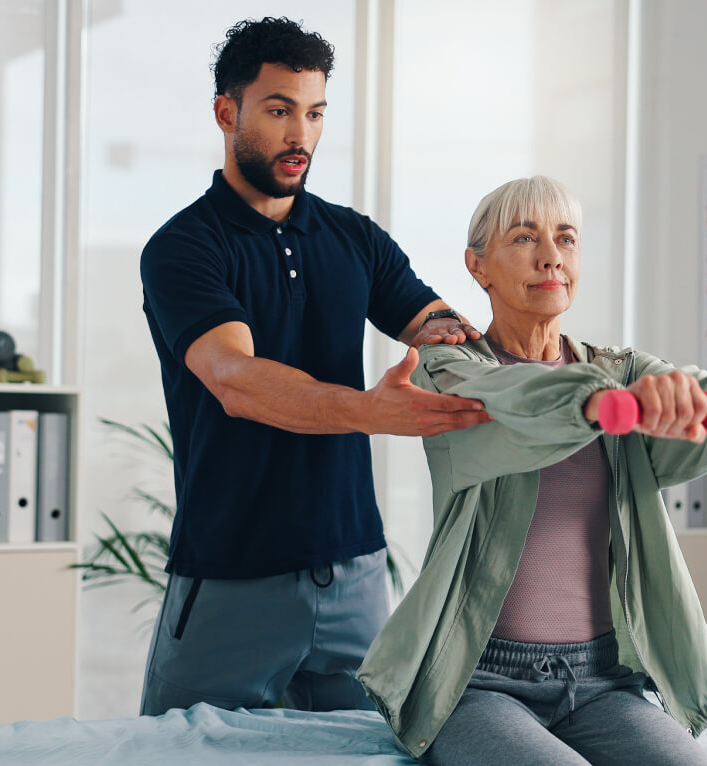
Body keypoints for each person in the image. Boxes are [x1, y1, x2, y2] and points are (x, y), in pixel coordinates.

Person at [356, 177, 707, 765]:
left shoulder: (617, 369)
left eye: (566, 238)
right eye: (524, 238)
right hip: (478, 682)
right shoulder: (447, 370)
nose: (551, 256)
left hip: (599, 682)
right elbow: (512, 402)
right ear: (478, 266)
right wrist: (595, 403)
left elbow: (705, 395)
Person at [137, 17, 490, 717]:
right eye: (278, 111)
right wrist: (367, 410)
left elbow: (442, 330)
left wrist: (504, 333)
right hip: (230, 577)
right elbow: (235, 379)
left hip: (354, 577)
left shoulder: (353, 238)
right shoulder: (183, 249)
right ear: (226, 112)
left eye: (315, 112)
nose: (301, 135)